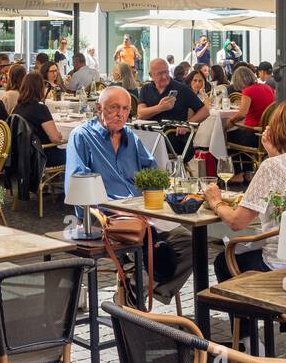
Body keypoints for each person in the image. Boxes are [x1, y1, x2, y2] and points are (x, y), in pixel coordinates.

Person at [64, 86, 194, 304]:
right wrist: (119, 210)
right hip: (105, 217)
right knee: (149, 244)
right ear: (99, 108)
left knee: (189, 242)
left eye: (125, 109)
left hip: (141, 214)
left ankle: (137, 293)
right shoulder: (83, 137)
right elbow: (77, 186)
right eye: (114, 108)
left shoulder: (131, 139)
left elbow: (152, 173)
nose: (120, 114)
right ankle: (137, 298)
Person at [205, 98, 286, 280]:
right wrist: (273, 155)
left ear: (276, 127)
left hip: (279, 263)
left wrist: (216, 201)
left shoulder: (273, 166)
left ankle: (252, 308)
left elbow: (237, 222)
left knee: (223, 261)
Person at [138, 58, 210, 157]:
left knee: (147, 149)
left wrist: (187, 124)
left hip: (174, 137)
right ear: (151, 75)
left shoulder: (182, 89)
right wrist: (160, 107)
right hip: (150, 135)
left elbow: (205, 112)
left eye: (166, 72)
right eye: (159, 74)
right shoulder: (146, 89)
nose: (164, 76)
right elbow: (141, 114)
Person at [225, 65, 276, 172]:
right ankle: (248, 172)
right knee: (241, 132)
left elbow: (242, 114)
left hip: (254, 135)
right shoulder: (267, 88)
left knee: (228, 135)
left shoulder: (248, 91)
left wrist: (231, 121)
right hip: (267, 134)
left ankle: (238, 173)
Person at [14, 72, 66, 165]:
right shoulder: (40, 109)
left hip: (22, 156)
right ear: (40, 88)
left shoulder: (17, 108)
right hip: (41, 155)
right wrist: (60, 136)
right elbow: (55, 139)